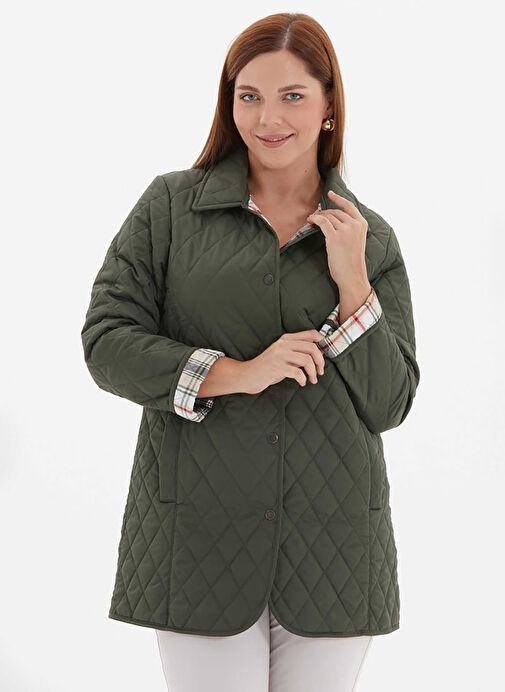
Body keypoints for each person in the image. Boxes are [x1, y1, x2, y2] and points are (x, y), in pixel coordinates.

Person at [81, 12, 420, 692]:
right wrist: (234, 373)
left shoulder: (369, 238)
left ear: (328, 105)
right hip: (198, 537)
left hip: (334, 549)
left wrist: (353, 282)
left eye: (292, 95)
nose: (268, 118)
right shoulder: (170, 209)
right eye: (249, 95)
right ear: (228, 101)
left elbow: (389, 404)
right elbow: (107, 340)